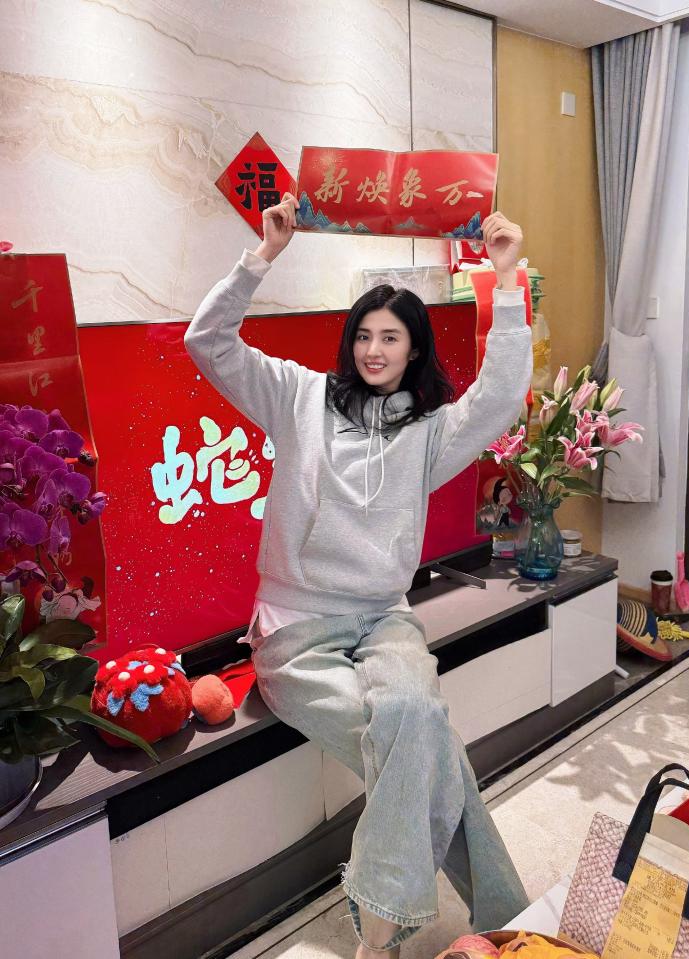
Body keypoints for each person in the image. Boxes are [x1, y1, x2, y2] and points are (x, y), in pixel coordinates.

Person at [185, 192, 533, 958]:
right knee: (424, 740)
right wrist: (262, 257)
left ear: (414, 351)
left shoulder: (426, 432)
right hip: (296, 634)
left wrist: (507, 279)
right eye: (365, 335)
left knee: (420, 727)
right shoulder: (297, 395)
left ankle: (390, 933)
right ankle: (499, 919)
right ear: (350, 343)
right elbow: (206, 340)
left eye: (392, 337)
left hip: (382, 623)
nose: (376, 349)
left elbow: (500, 398)